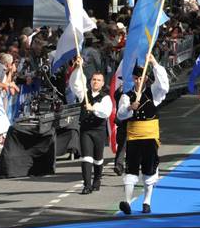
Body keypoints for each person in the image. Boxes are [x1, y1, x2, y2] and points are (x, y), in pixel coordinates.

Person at [116, 54, 170, 215]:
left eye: (142, 77)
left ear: (146, 78)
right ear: (133, 78)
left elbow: (164, 86)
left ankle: (147, 201)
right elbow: (120, 114)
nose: (139, 80)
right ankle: (127, 201)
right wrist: (130, 108)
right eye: (136, 77)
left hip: (150, 136)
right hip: (133, 137)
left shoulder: (154, 92)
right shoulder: (127, 96)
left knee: (149, 169)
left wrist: (154, 63)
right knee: (131, 169)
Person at [70, 57, 113, 194]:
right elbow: (75, 83)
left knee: (98, 158)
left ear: (102, 83)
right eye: (94, 79)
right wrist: (78, 68)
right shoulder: (84, 94)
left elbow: (106, 112)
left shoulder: (105, 98)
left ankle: (97, 180)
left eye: (98, 80)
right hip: (86, 130)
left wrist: (93, 107)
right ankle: (87, 185)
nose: (96, 82)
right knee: (86, 157)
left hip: (98, 131)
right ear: (90, 81)